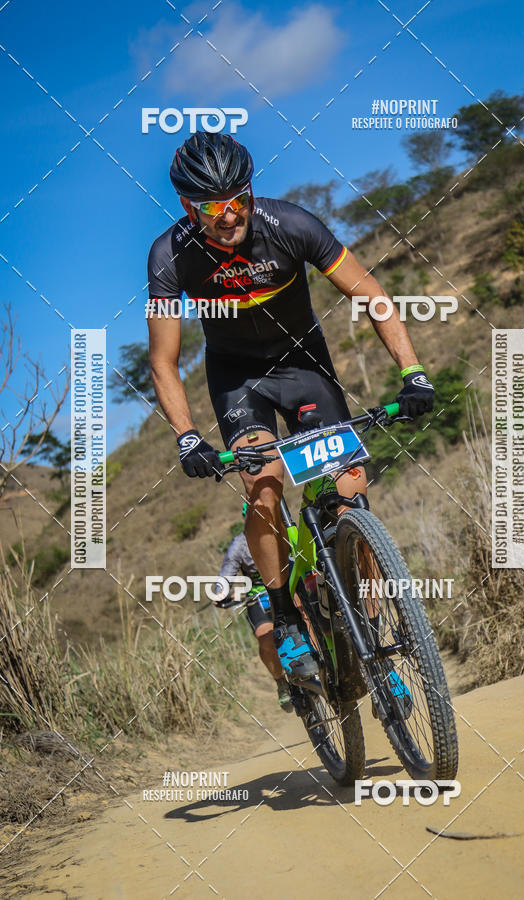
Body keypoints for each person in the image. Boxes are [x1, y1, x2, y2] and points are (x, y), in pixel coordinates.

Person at [147, 131, 434, 682]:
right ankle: (285, 620)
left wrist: (412, 371)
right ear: (188, 207)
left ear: (251, 191)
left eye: (238, 200)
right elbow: (164, 360)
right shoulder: (170, 254)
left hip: (306, 368)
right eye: (212, 207)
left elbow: (371, 295)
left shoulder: (292, 225)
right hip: (239, 380)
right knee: (263, 485)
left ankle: (370, 626)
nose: (229, 216)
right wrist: (186, 435)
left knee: (348, 490)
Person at [215, 503, 293, 713]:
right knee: (265, 639)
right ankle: (281, 682)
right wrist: (220, 592)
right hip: (259, 596)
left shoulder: (283, 529)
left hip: (287, 586)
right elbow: (226, 572)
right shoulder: (239, 544)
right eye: (252, 516)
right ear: (246, 519)